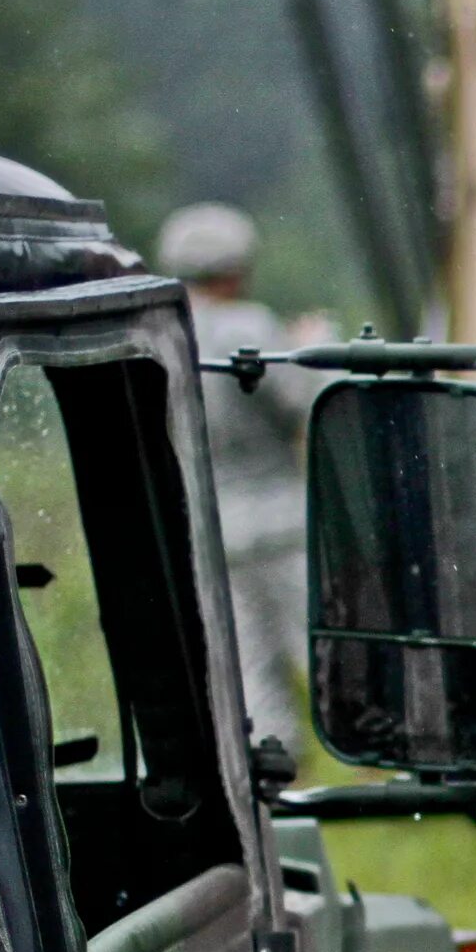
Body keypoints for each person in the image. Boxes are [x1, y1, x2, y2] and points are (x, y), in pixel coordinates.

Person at [156, 200, 318, 749]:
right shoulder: (251, 325)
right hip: (280, 513)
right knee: (318, 643)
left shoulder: (165, 333)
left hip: (214, 523)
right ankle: (374, 747)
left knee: (250, 661)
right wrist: (310, 348)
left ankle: (273, 762)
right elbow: (300, 403)